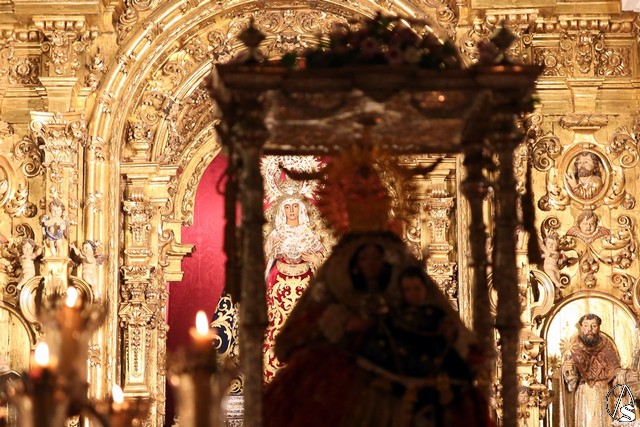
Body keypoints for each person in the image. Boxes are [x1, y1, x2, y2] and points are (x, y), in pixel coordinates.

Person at [264, 232, 491, 427]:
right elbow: (291, 342)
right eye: (364, 258)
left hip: (405, 374)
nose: (371, 264)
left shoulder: (410, 307)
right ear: (353, 264)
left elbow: (449, 339)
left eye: (376, 258)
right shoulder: (335, 312)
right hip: (348, 377)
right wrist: (345, 327)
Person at [263, 196, 326, 381]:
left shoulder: (310, 236)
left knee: (303, 322)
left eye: (295, 207)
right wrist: (272, 252)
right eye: (288, 207)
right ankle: (271, 370)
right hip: (278, 283)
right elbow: (266, 261)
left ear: (301, 210)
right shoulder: (275, 235)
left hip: (305, 282)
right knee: (276, 324)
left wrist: (314, 260)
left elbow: (322, 263)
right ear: (282, 211)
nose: (291, 211)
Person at [560, 313, 639, 427]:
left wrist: (626, 374)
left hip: (604, 393)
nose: (589, 329)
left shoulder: (607, 346)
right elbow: (570, 384)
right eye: (586, 325)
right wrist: (567, 370)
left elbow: (616, 371)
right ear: (581, 327)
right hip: (584, 393)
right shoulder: (574, 347)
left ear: (598, 327)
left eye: (593, 325)